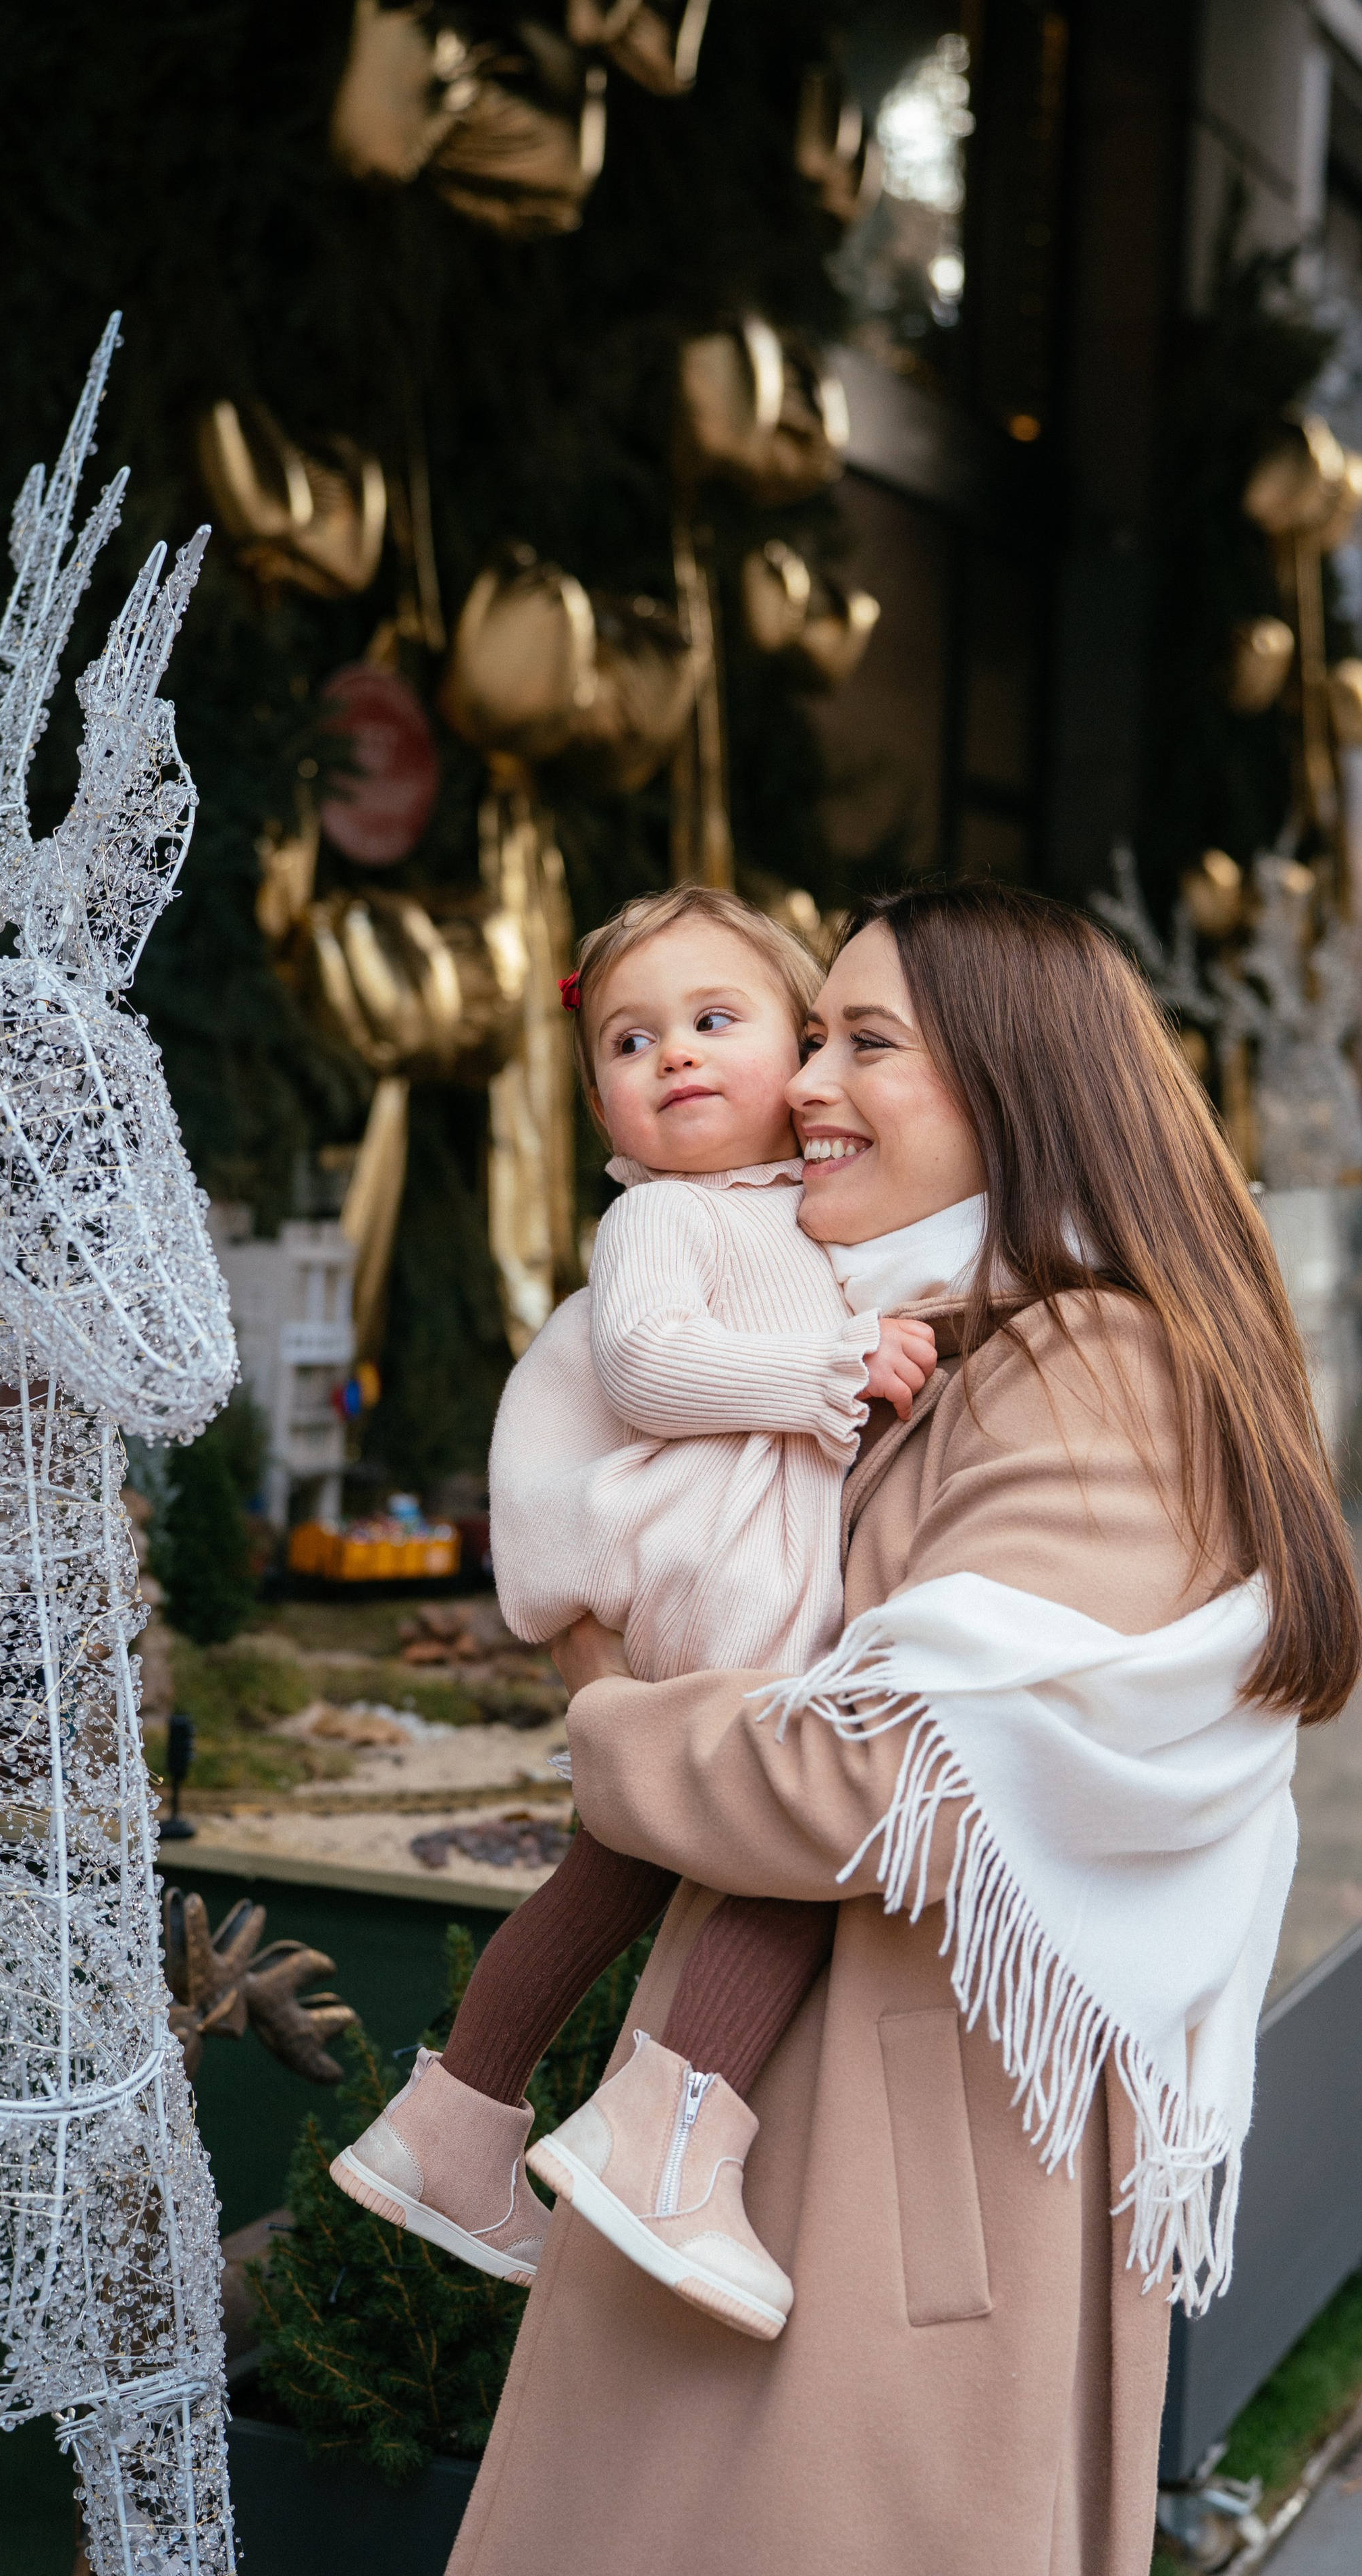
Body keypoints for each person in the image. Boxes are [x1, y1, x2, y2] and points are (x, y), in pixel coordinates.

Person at [441, 884, 1362, 2576]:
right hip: (796, 2132)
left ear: (1015, 1087)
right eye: (820, 1034)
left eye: (869, 1043)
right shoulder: (928, 1333)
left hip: (893, 2195)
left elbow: (887, 1780)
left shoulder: (1096, 1366)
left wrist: (604, 1712)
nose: (803, 1081)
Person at [330, 887, 937, 2339]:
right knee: (806, 1839)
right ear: (596, 1089)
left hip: (708, 1577)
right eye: (627, 1038)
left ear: (798, 1052)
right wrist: (831, 1376)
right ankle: (664, 2145)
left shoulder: (773, 1213)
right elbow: (655, 1370)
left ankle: (453, 2124)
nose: (670, 1056)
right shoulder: (660, 1218)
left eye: (710, 1022)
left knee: (619, 1860)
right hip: (706, 1584)